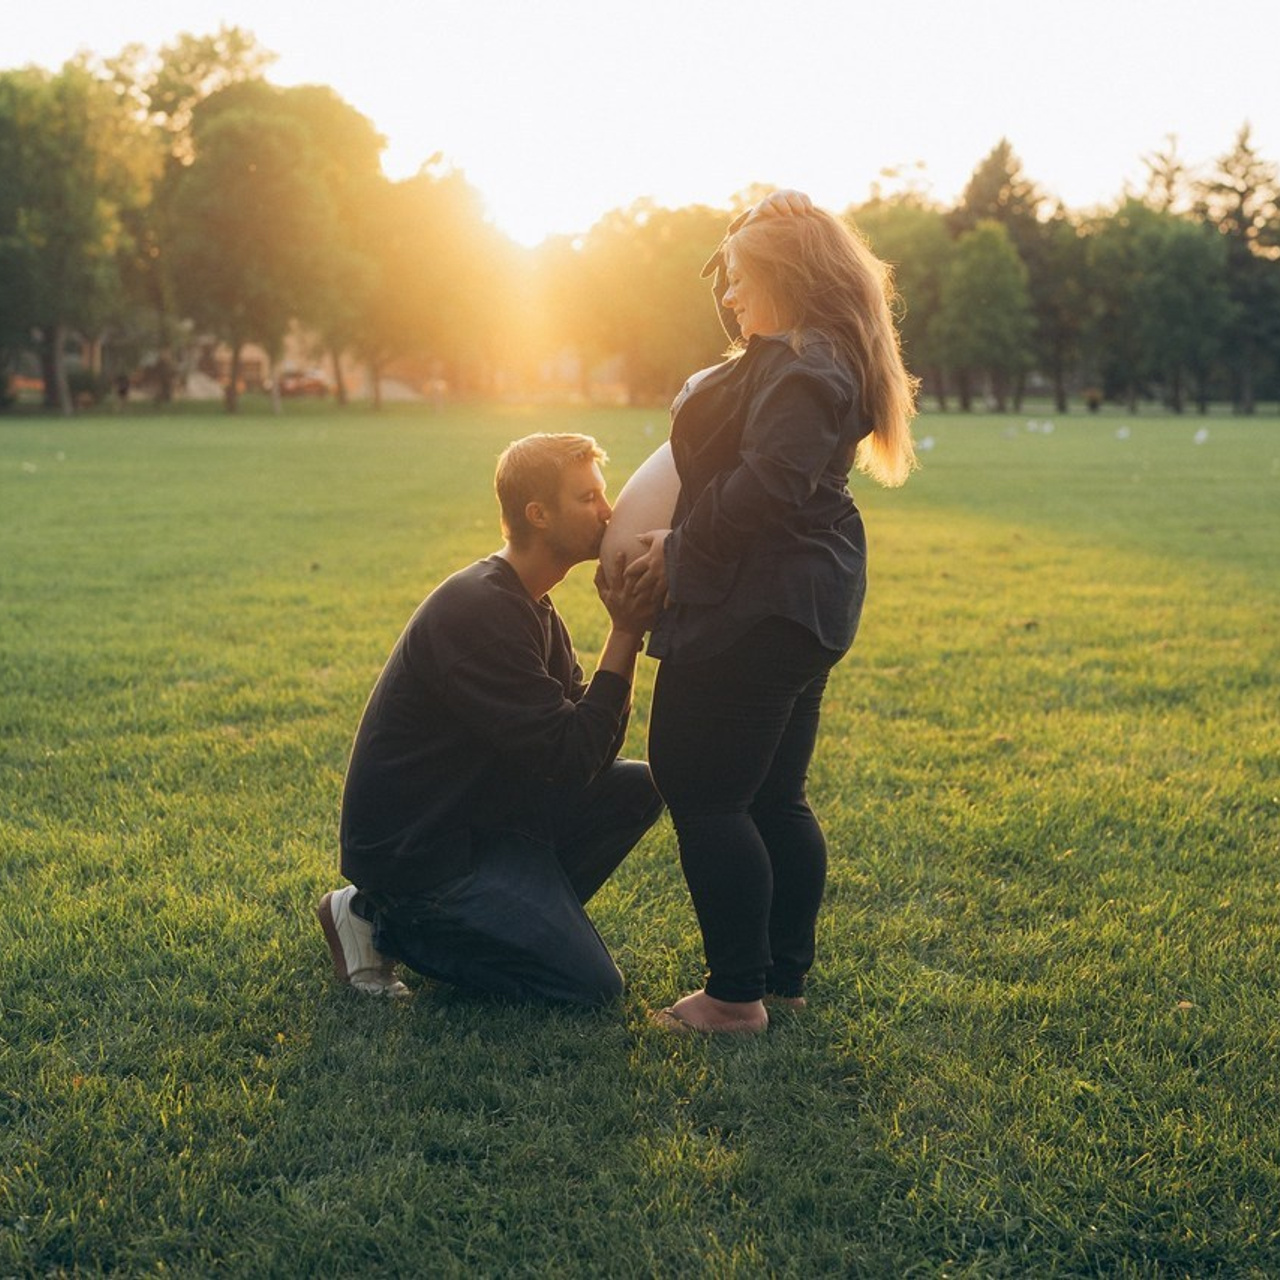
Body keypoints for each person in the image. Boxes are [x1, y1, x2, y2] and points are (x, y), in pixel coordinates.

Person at [625, 198, 919, 1033]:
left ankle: (733, 998)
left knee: (705, 789)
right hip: (791, 603)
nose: (730, 296)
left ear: (788, 279)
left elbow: (768, 486)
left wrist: (677, 557)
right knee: (771, 798)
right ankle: (779, 981)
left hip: (758, 605)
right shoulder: (802, 357)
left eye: (743, 279)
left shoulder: (808, 367)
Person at [319, 433, 663, 1006]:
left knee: (638, 786)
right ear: (539, 515)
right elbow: (572, 754)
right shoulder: (479, 610)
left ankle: (518, 914)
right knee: (592, 988)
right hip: (421, 860)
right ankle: (377, 917)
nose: (609, 513)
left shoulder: (535, 607)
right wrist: (626, 631)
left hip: (483, 825)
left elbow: (588, 751)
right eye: (588, 499)